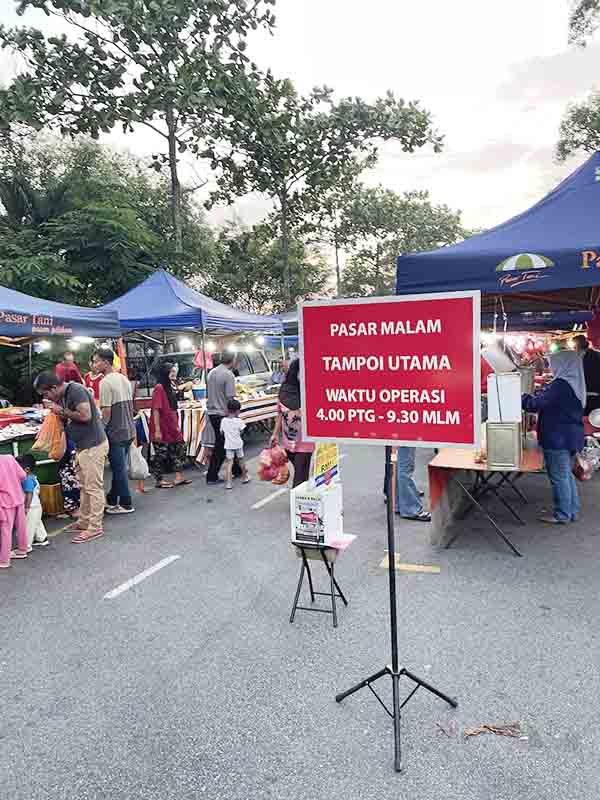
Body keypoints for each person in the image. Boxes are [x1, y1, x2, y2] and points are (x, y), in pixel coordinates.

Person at [33, 372, 108, 543]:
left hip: (93, 445)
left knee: (93, 487)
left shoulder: (76, 391)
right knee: (83, 486)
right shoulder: (63, 396)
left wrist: (62, 411)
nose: (47, 397)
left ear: (54, 388)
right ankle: (84, 521)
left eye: (46, 394)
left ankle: (95, 527)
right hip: (83, 446)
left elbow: (86, 416)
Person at [522, 349, 585, 524]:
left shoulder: (560, 385)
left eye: (553, 363)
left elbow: (535, 404)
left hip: (558, 436)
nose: (551, 367)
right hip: (571, 435)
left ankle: (563, 514)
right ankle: (572, 510)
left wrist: (521, 397)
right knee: (566, 474)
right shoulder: (574, 382)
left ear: (563, 364)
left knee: (559, 476)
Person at [93, 347, 136, 515]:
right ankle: (112, 499)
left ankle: (126, 503)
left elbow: (106, 412)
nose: (94, 364)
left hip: (116, 431)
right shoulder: (123, 378)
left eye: (97, 361)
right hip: (129, 428)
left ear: (105, 361)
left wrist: (101, 429)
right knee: (120, 467)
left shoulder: (105, 382)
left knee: (119, 469)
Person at [270, 359, 314, 487]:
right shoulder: (284, 390)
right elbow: (279, 414)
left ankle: (299, 502)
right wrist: (274, 434)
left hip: (305, 441)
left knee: (300, 475)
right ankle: (301, 500)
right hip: (288, 442)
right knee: (302, 473)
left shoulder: (310, 390)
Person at [150, 362, 191, 489]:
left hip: (172, 423)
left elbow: (180, 390)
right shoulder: (159, 387)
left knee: (179, 448)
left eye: (174, 371)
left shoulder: (171, 385)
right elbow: (156, 409)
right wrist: (157, 430)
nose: (174, 374)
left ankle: (179, 476)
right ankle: (159, 480)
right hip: (162, 425)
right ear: (165, 373)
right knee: (161, 454)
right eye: (171, 372)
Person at [206, 351, 237, 485]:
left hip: (212, 413)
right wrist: (235, 415)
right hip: (223, 414)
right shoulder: (228, 374)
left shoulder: (211, 372)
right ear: (233, 360)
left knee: (228, 442)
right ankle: (211, 476)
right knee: (222, 445)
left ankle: (237, 470)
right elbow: (230, 398)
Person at [0, 455, 29, 567]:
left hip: (5, 501)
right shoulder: (9, 458)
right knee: (21, 526)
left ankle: (4, 560)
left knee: (5, 529)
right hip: (18, 496)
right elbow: (23, 475)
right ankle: (22, 550)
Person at [16, 454, 48, 550]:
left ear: (26, 469)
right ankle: (42, 538)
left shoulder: (27, 479)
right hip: (36, 506)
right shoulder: (32, 477)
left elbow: (29, 494)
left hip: (31, 507)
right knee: (36, 522)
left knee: (28, 527)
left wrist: (26, 507)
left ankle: (26, 546)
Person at [221, 399, 250, 490]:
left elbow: (221, 432)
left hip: (228, 445)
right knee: (241, 460)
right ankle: (245, 477)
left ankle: (228, 483)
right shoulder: (239, 421)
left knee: (229, 463)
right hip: (238, 444)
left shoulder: (223, 420)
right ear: (237, 410)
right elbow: (242, 431)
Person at [573, 335, 600, 414]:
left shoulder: (585, 357)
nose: (574, 348)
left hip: (590, 395)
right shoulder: (595, 354)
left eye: (575, 346)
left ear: (578, 344)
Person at [56, 438, 81, 519]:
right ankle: (72, 509)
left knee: (71, 485)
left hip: (69, 460)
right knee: (67, 486)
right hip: (66, 460)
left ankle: (76, 509)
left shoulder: (70, 436)